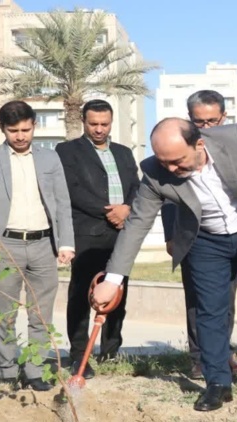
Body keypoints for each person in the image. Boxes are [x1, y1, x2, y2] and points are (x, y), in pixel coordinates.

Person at [92, 118, 237, 410]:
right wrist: (112, 279)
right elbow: (135, 226)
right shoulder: (155, 173)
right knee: (208, 312)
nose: (171, 169)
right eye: (164, 162)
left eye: (177, 161)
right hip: (204, 242)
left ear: (199, 144)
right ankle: (218, 383)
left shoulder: (235, 138)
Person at [0, 100, 75, 391]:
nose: (20, 136)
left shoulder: (50, 159)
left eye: (25, 129)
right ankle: (7, 371)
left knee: (41, 314)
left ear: (34, 126)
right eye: (13, 130)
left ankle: (36, 369)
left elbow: (62, 203)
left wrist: (66, 243)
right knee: (4, 315)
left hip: (43, 246)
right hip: (3, 246)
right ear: (2, 128)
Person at [160, 90, 237, 379]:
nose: (207, 127)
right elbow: (168, 195)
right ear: (191, 121)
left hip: (232, 236)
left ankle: (222, 352)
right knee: (199, 299)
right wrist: (170, 237)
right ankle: (200, 357)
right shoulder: (178, 148)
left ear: (224, 117)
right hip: (192, 236)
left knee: (226, 297)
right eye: (201, 122)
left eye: (213, 121)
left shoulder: (236, 146)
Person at [56, 99, 140, 376]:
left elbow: (136, 188)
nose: (99, 129)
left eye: (104, 124)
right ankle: (79, 353)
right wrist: (110, 212)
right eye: (94, 124)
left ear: (111, 122)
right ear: (83, 121)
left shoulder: (124, 153)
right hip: (87, 234)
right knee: (81, 294)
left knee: (117, 292)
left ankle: (111, 351)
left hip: (121, 236)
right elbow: (73, 191)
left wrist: (127, 209)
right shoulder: (67, 151)